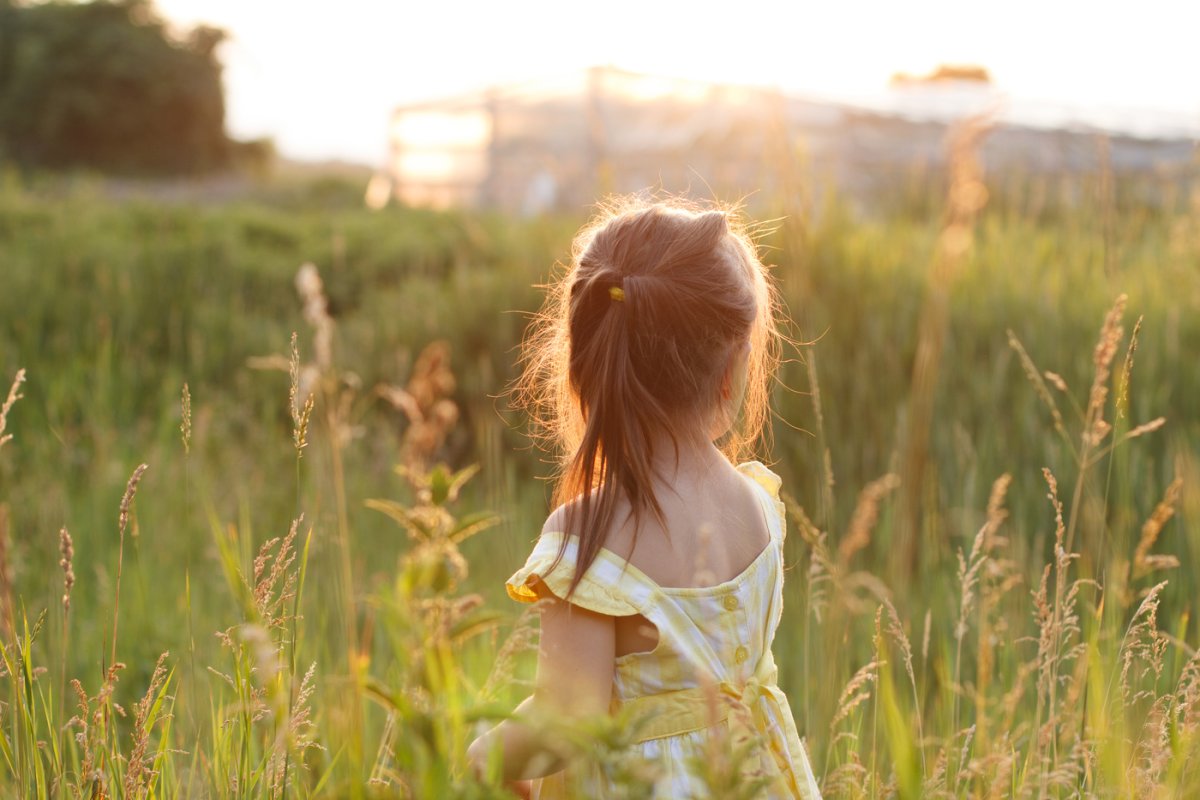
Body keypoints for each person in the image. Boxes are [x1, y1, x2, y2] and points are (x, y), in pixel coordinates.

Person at [468, 198, 822, 799]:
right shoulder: (756, 506)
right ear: (733, 366)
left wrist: (486, 754)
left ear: (584, 366)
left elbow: (569, 718)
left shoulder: (589, 532)